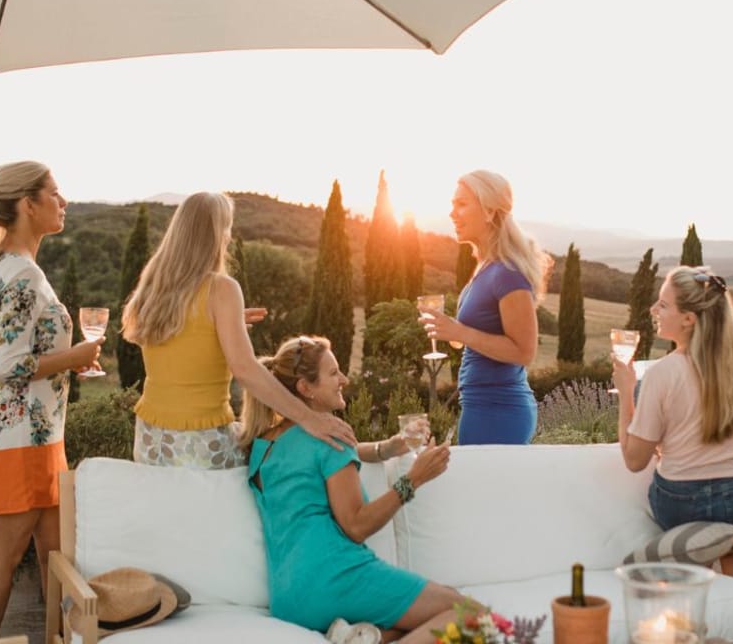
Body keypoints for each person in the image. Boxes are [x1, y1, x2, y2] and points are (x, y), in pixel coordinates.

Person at [0, 161, 103, 639]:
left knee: (57, 559)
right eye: (55, 194)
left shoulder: (19, 270)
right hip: (13, 441)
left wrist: (66, 361)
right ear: (27, 205)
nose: (64, 203)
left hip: (36, 435)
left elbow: (21, 358)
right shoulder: (19, 275)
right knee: (3, 559)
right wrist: (74, 354)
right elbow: (6, 366)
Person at [241, 336, 471, 643]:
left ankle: (364, 637)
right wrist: (413, 479)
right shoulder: (327, 436)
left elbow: (323, 455)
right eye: (334, 373)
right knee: (468, 613)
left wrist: (389, 446)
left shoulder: (265, 445)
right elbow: (357, 525)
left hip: (289, 598)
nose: (344, 379)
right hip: (335, 576)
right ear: (305, 388)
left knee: (431, 615)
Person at [120, 192, 355, 467]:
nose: (229, 236)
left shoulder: (155, 286)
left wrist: (222, 323)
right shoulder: (222, 288)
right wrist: (309, 418)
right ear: (216, 233)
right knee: (270, 467)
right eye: (227, 226)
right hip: (197, 441)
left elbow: (179, 342)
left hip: (150, 439)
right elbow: (245, 369)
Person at [612, 265, 733, 577]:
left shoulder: (662, 373)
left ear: (689, 318)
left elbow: (634, 459)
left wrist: (625, 393)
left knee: (696, 556)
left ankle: (689, 607)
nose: (653, 309)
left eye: (663, 304)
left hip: (680, 502)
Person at [420, 170, 547, 445]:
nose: (452, 213)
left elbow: (525, 352)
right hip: (480, 404)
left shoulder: (507, 273)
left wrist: (461, 332)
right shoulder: (485, 267)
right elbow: (475, 337)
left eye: (461, 204)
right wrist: (451, 333)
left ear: (489, 212)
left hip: (499, 409)